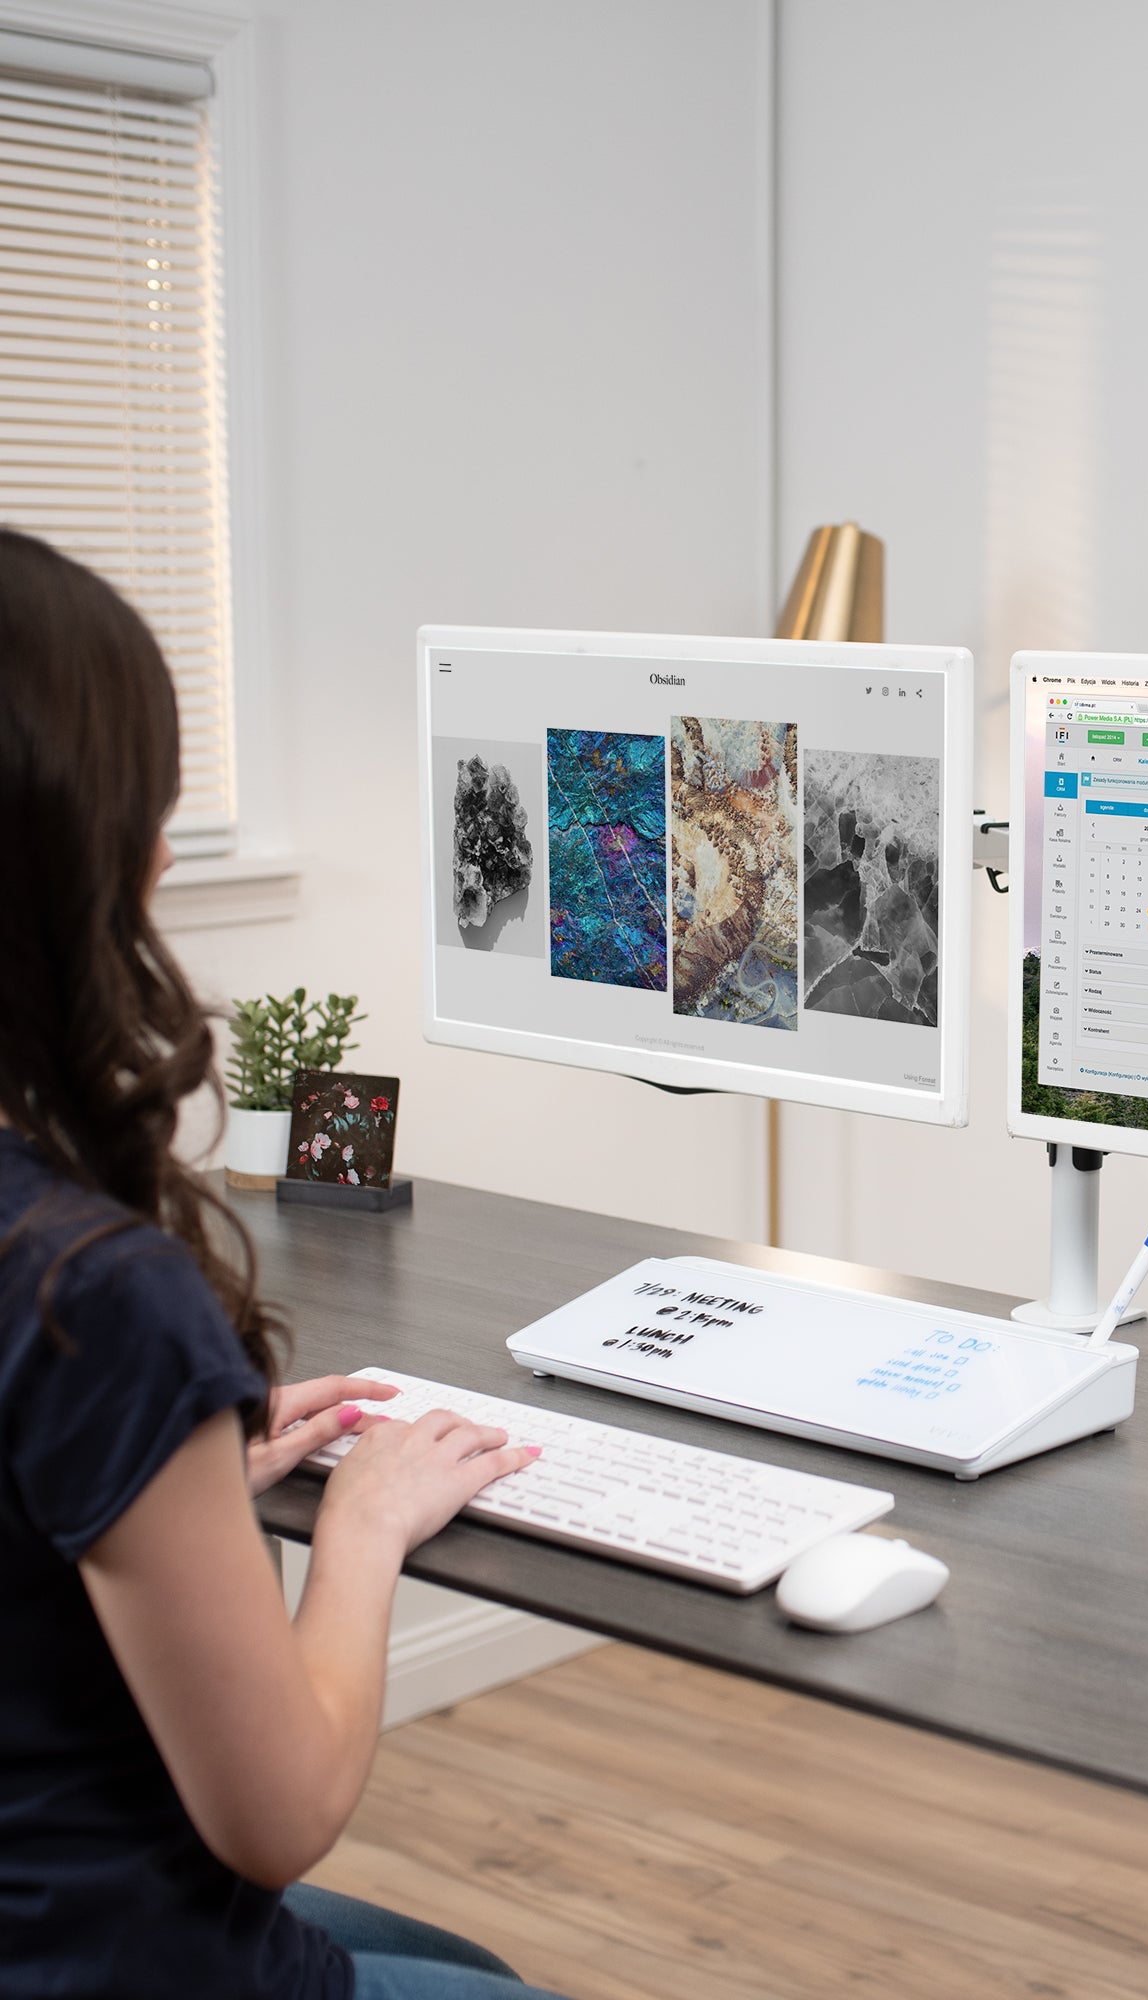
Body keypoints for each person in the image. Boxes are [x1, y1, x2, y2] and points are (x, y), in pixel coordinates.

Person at [0, 529, 569, 2000]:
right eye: (152, 808)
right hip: (109, 1963)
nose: (170, 851)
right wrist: (366, 1526)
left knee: (446, 1956)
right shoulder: (90, 1292)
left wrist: (169, 1493)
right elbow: (278, 1818)